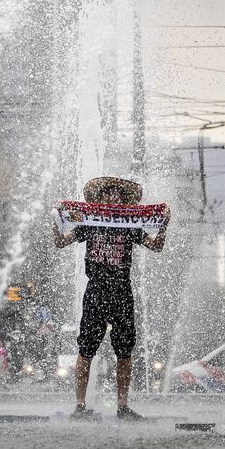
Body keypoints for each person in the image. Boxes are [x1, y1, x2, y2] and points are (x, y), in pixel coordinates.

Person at [53, 175, 170, 420]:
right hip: (95, 290)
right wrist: (56, 222)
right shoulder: (90, 222)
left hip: (121, 292)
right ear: (100, 197)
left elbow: (156, 246)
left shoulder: (130, 225)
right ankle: (80, 405)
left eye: (116, 193)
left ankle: (122, 406)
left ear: (122, 199)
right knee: (85, 349)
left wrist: (164, 225)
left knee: (125, 351)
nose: (112, 196)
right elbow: (61, 242)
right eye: (107, 192)